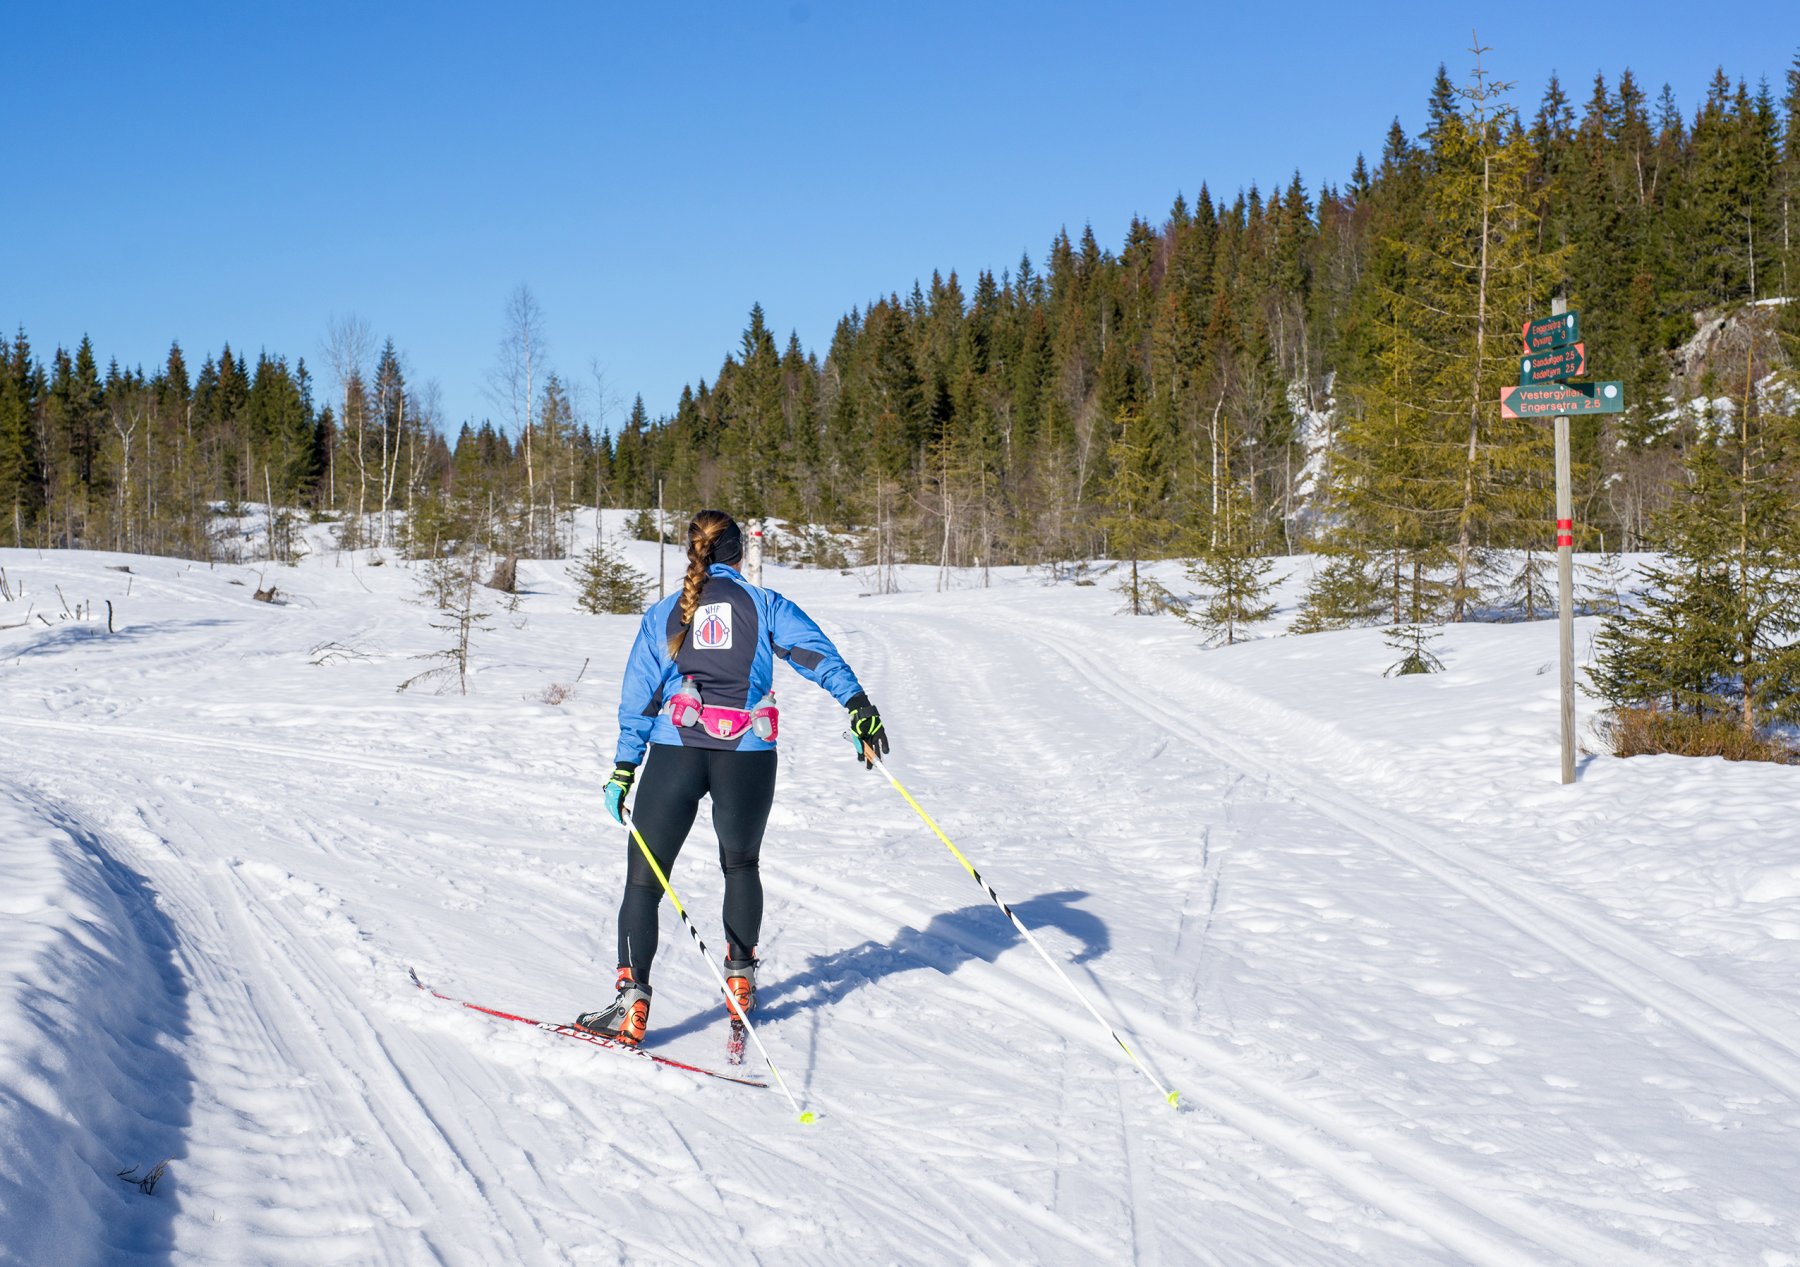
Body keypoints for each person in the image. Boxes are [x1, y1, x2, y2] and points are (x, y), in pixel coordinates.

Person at [575, 509, 888, 1046]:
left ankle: (631, 1007)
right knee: (741, 865)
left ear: (692, 553)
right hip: (748, 752)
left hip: (676, 753)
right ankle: (740, 983)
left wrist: (625, 767)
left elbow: (640, 699)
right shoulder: (765, 605)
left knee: (644, 881)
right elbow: (816, 655)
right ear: (740, 554)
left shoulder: (666, 614)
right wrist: (857, 705)